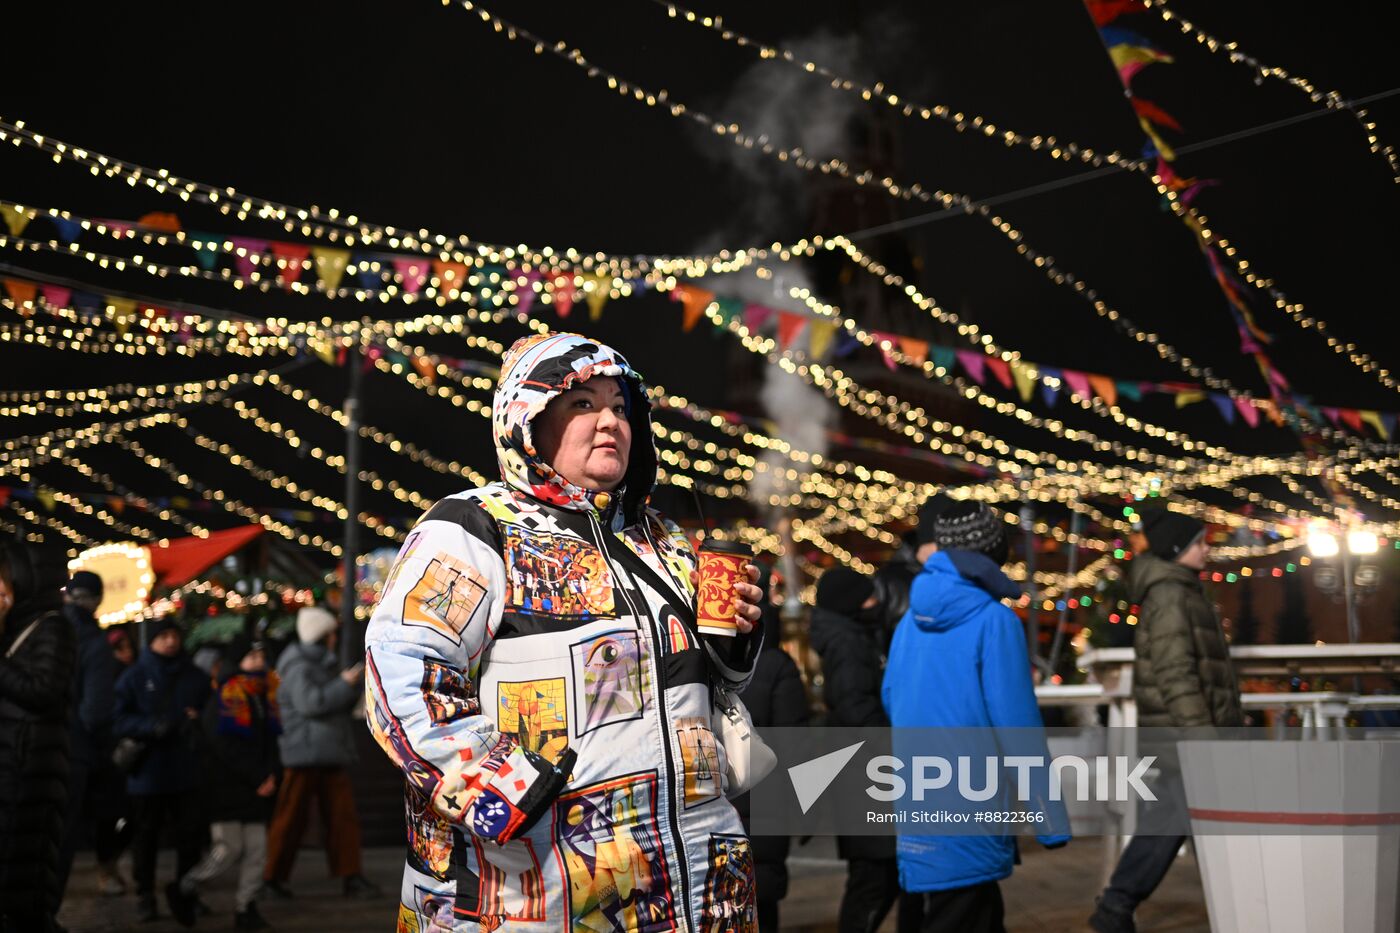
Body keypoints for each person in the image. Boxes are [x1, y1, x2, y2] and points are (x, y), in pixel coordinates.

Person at [364, 332, 765, 932]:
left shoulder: (663, 541)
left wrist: (738, 639)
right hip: (539, 889)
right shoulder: (476, 529)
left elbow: (711, 688)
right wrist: (505, 786)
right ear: (526, 421)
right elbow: (401, 674)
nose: (610, 422)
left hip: (699, 887)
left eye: (621, 406)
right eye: (582, 403)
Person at [882, 500, 1070, 933]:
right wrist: (1049, 819)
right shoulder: (994, 620)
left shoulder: (910, 619)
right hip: (972, 801)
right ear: (992, 556)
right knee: (968, 913)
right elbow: (1017, 727)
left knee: (961, 910)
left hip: (916, 799)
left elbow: (892, 697)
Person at [1089, 509, 1243, 933]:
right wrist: (1204, 741)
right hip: (1185, 738)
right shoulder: (1172, 596)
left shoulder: (1180, 591)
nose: (1207, 549)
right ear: (1178, 550)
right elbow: (1177, 674)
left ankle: (1115, 907)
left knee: (1171, 823)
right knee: (1206, 827)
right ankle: (1246, 905)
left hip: (1182, 737)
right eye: (1199, 543)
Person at [810, 567, 910, 933]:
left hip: (864, 772)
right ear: (850, 603)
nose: (875, 603)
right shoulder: (848, 642)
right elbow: (855, 707)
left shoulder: (850, 635)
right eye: (867, 597)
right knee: (874, 878)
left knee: (876, 876)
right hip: (866, 775)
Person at [260, 605, 378, 899]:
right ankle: (271, 877)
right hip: (305, 754)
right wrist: (343, 683)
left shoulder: (314, 663)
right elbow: (312, 703)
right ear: (322, 636)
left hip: (325, 752)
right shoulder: (299, 666)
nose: (335, 639)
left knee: (339, 818)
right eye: (331, 634)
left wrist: (346, 685)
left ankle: (349, 875)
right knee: (294, 818)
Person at [169, 636, 280, 930]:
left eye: (261, 657)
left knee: (257, 851)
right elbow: (224, 748)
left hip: (256, 786)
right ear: (237, 662)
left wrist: (270, 775)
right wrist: (258, 777)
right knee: (227, 849)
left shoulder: (263, 694)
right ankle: (185, 886)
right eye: (251, 657)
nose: (259, 662)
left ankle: (246, 907)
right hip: (226, 787)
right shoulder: (226, 696)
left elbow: (269, 742)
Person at [114, 618, 212, 923]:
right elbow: (117, 719)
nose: (170, 641)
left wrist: (198, 721)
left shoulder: (194, 676)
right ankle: (146, 895)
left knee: (189, 838)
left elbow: (210, 713)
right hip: (148, 773)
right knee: (146, 837)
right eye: (163, 636)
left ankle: (186, 892)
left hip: (186, 770)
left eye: (174, 635)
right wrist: (151, 727)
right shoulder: (134, 677)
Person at [0, 543, 76, 933]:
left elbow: (43, 689)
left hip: (31, 772)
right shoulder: (13, 629)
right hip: (12, 767)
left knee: (23, 887)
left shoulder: (52, 627)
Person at [735, 564, 809, 933]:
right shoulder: (777, 664)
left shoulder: (700, 656)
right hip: (767, 805)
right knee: (763, 903)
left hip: (716, 799)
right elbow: (794, 741)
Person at [58, 570, 120, 899]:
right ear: (96, 600)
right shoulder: (94, 641)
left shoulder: (47, 625)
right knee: (62, 835)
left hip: (36, 741)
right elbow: (96, 708)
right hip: (75, 748)